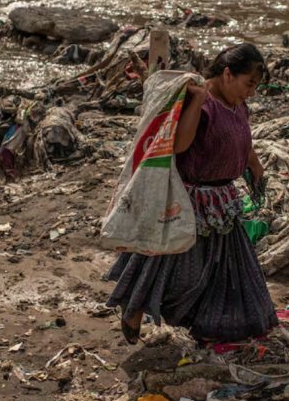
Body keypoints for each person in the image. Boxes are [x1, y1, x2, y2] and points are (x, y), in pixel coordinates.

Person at [106, 43, 278, 345]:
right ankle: (133, 309)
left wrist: (255, 165)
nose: (251, 92)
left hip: (224, 203)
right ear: (227, 74)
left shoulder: (237, 104)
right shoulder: (201, 100)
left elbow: (242, 138)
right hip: (190, 202)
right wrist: (197, 100)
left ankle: (217, 325)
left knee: (230, 272)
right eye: (248, 84)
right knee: (171, 268)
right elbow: (180, 145)